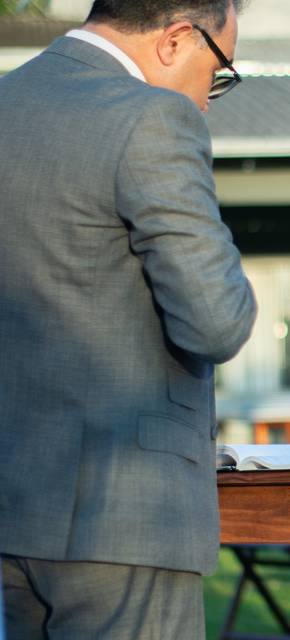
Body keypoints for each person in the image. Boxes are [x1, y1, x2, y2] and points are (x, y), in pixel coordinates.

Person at [0, 1, 257, 637]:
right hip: (127, 513)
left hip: (13, 507)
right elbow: (217, 321)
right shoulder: (151, 117)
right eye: (218, 71)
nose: (206, 98)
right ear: (176, 38)